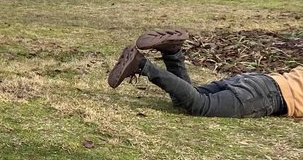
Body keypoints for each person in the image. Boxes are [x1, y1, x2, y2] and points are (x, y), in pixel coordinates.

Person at [108, 28, 302, 118]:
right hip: (268, 96)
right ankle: (140, 64)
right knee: (200, 105)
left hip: (262, 80)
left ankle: (172, 52)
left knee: (185, 99)